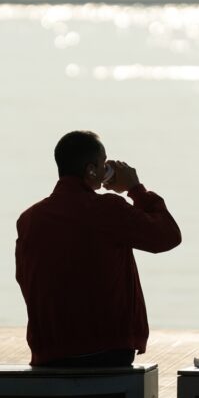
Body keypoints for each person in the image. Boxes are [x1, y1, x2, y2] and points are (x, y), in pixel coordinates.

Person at [15, 130, 182, 367]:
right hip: (106, 350)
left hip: (49, 353)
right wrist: (135, 188)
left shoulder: (29, 219)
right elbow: (167, 236)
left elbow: (23, 277)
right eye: (104, 163)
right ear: (91, 170)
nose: (107, 169)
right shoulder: (108, 210)